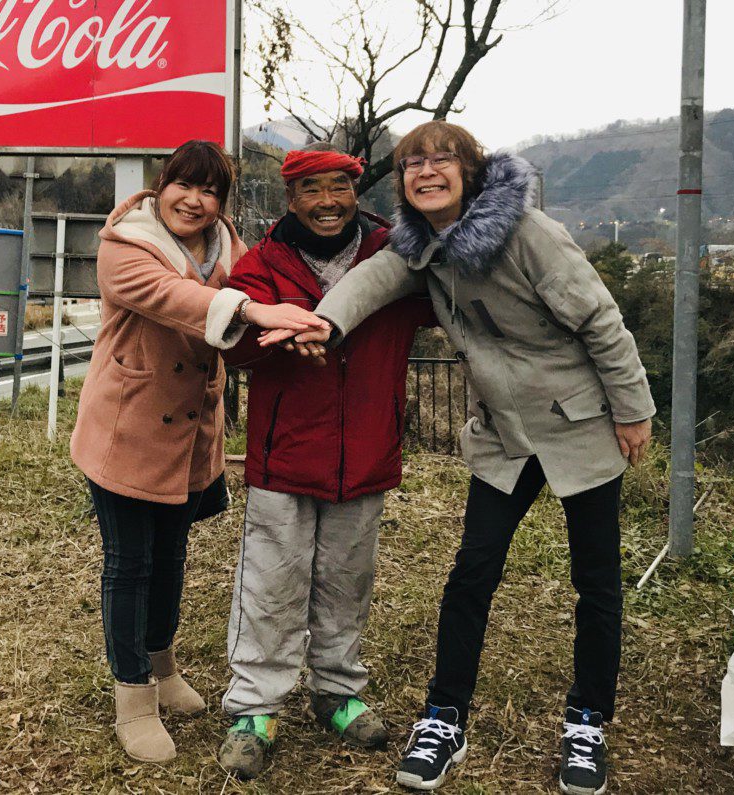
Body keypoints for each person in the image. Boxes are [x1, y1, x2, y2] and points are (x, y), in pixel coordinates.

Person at [263, 121, 655, 794]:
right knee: (471, 572)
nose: (426, 170)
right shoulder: (420, 247)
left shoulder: (529, 234)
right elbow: (372, 281)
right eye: (414, 161)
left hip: (580, 424)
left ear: (471, 172)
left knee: (596, 581)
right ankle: (444, 717)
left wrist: (634, 409)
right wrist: (323, 323)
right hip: (504, 433)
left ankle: (586, 723)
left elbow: (601, 320)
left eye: (442, 159)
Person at [70, 140, 327, 764]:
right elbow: (175, 299)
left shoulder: (227, 247)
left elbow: (247, 316)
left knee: (171, 555)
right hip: (127, 429)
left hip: (189, 434)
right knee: (129, 564)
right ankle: (132, 696)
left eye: (211, 191)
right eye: (185, 185)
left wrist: (292, 331)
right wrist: (260, 309)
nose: (196, 200)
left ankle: (162, 665)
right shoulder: (124, 244)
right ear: (163, 185)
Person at [216, 144, 435, 779]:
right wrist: (274, 337)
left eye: (339, 187)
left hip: (366, 448)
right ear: (291, 200)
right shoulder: (263, 263)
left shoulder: (394, 252)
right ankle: (255, 706)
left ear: (356, 193)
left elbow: (440, 301)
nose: (328, 202)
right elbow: (234, 346)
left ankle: (337, 691)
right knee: (270, 583)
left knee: (347, 580)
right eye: (312, 190)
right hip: (286, 453)